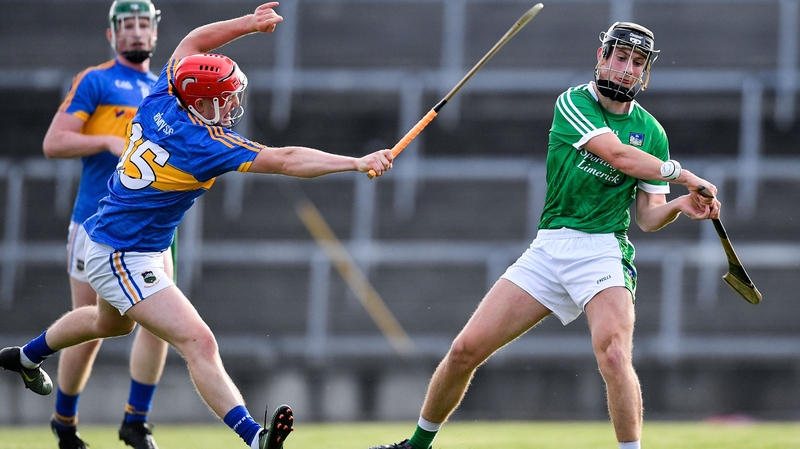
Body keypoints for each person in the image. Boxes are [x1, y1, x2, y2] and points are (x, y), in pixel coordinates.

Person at [0, 2, 393, 448]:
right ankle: (255, 437)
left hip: (109, 237)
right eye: (226, 99)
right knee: (198, 341)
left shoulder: (163, 94)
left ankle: (26, 357)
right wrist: (356, 162)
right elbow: (285, 159)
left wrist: (247, 23)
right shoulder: (204, 144)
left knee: (109, 324)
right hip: (123, 253)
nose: (233, 106)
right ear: (202, 100)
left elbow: (192, 43)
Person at [367, 22, 721, 449]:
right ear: (602, 56)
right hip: (551, 247)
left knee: (613, 354)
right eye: (621, 57)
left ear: (646, 72)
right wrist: (683, 175)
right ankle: (416, 447)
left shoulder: (654, 133)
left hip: (604, 250)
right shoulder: (574, 103)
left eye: (638, 62)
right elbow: (615, 154)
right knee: (465, 351)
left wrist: (678, 206)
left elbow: (647, 217)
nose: (627, 69)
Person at [40, 1, 170, 448]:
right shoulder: (95, 80)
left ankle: (136, 421)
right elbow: (54, 143)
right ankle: (65, 423)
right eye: (126, 25)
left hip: (150, 231)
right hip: (95, 224)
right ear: (112, 34)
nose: (135, 33)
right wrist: (107, 141)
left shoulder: (163, 89)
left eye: (142, 24)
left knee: (161, 327)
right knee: (94, 327)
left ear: (155, 32)